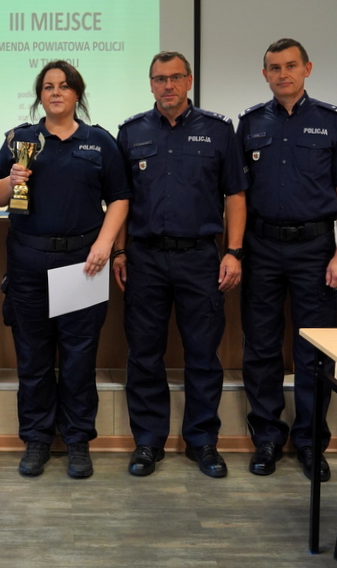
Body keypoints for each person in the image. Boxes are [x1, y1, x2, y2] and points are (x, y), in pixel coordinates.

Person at [0, 60, 129, 479]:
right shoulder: (19, 140)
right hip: (28, 262)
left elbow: (120, 197)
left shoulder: (99, 141)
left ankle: (77, 440)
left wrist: (105, 244)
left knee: (78, 359)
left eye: (64, 86)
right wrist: (11, 178)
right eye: (48, 86)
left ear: (76, 94)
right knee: (32, 357)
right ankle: (36, 439)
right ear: (40, 95)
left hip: (83, 264)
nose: (56, 92)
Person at [236, 39, 337, 482]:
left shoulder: (332, 121)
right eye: (274, 68)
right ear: (265, 74)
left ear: (307, 69)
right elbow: (237, 193)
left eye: (291, 66)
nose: (283, 74)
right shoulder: (250, 123)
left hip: (315, 248)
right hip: (261, 247)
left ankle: (311, 441)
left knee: (314, 348)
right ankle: (267, 438)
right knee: (261, 345)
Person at [113, 51, 248, 479]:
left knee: (203, 353)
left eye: (175, 78)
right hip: (145, 258)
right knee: (144, 353)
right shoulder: (131, 132)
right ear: (150, 84)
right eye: (159, 79)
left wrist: (234, 251)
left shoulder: (218, 130)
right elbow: (121, 200)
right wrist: (119, 251)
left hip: (200, 257)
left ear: (189, 81)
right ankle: (148, 442)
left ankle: (202, 441)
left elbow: (235, 195)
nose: (167, 86)